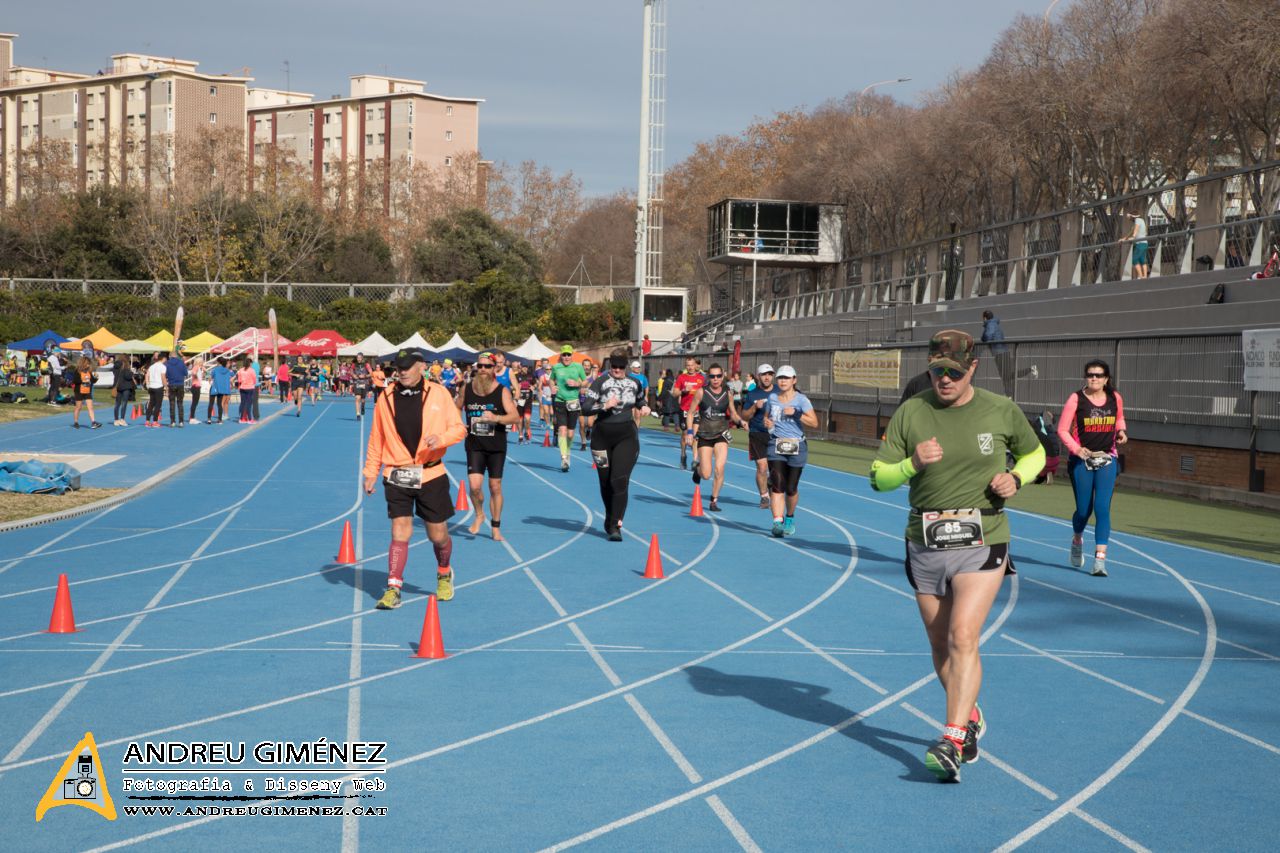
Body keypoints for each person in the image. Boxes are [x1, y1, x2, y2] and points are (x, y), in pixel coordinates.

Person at [869, 329, 1044, 783]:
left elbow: (1036, 454)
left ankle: (952, 737)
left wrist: (1016, 479)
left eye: (953, 371)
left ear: (973, 368)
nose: (944, 379)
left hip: (983, 534)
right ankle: (969, 712)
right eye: (936, 370)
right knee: (940, 643)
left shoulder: (1000, 409)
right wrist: (913, 464)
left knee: (964, 635)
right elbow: (879, 478)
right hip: (925, 538)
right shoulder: (913, 411)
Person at [364, 348, 467, 610]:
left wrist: (440, 439)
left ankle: (444, 572)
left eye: (408, 366)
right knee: (400, 530)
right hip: (397, 473)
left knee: (437, 533)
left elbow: (459, 429)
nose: (402, 371)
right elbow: (377, 438)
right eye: (398, 367)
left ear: (422, 366)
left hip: (430, 472)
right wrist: (370, 473)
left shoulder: (439, 393)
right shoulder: (385, 398)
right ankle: (393, 587)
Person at [1058, 360, 1127, 577]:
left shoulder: (1115, 397)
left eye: (1098, 375)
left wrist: (1122, 432)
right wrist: (1077, 450)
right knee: (1083, 510)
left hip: (1107, 458)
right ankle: (1077, 538)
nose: (1094, 378)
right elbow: (1062, 430)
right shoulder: (1076, 399)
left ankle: (1100, 561)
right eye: (1090, 375)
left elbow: (1119, 419)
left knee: (1102, 508)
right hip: (1082, 460)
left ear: (1106, 378)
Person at [581, 349, 651, 541]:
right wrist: (605, 405)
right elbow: (585, 408)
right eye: (614, 367)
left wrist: (644, 405)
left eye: (621, 367)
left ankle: (615, 524)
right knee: (605, 481)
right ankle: (609, 515)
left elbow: (639, 399)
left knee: (619, 480)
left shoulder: (634, 382)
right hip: (601, 437)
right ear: (609, 366)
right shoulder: (600, 382)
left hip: (626, 436)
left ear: (626, 366)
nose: (618, 370)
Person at [457, 352, 520, 541]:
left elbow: (515, 416)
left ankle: (495, 525)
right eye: (480, 366)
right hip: (474, 445)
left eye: (487, 367)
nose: (483, 370)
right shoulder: (466, 389)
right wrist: (458, 424)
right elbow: (455, 407)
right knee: (475, 487)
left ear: (494, 369)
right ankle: (479, 515)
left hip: (496, 446)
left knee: (495, 487)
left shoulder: (502, 391)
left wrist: (497, 418)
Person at [763, 366, 819, 536]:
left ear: (794, 380)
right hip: (776, 444)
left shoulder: (801, 400)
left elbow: (814, 423)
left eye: (786, 378)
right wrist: (768, 424)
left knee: (791, 487)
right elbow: (767, 417)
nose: (782, 381)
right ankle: (777, 522)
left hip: (797, 445)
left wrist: (796, 413)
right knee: (778, 485)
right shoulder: (772, 397)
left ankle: (789, 517)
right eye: (780, 378)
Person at [687, 363, 747, 512]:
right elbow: (690, 412)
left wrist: (740, 421)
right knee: (706, 474)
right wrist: (689, 432)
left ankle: (714, 500)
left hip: (721, 434)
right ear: (708, 377)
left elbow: (732, 413)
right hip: (705, 435)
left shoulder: (728, 393)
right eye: (712, 376)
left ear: (723, 376)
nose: (715, 379)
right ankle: (699, 470)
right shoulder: (701, 392)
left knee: (720, 468)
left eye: (718, 376)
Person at [740, 363, 776, 508]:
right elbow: (745, 415)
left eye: (769, 374)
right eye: (764, 375)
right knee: (762, 467)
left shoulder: (780, 391)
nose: (767, 377)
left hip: (777, 435)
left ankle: (771, 482)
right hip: (757, 433)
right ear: (758, 376)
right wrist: (755, 407)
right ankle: (764, 496)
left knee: (776, 469)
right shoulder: (753, 394)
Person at [980, 310, 1036, 396]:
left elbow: (987, 336)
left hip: (1000, 353)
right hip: (1002, 352)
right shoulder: (994, 324)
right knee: (1007, 375)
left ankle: (1009, 395)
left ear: (984, 318)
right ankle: (1009, 395)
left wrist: (983, 337)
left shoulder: (990, 324)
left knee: (1006, 376)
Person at [550, 345, 587, 472]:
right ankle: (564, 457)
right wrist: (552, 387)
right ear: (561, 356)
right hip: (560, 401)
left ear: (572, 355)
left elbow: (586, 381)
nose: (566, 357)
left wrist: (578, 384)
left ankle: (568, 450)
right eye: (564, 355)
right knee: (562, 430)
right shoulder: (556, 367)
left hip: (573, 402)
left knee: (570, 434)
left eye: (568, 355)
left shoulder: (578, 367)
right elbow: (551, 380)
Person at [672, 356, 707, 469]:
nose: (690, 367)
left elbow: (706, 393)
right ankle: (683, 455)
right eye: (688, 365)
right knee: (685, 436)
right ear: (685, 366)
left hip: (697, 410)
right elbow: (674, 393)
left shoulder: (701, 378)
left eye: (692, 365)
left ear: (696, 365)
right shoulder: (681, 378)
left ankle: (695, 460)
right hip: (685, 410)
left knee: (695, 436)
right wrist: (684, 390)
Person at [69, 356, 101, 429]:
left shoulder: (89, 371)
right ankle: (76, 422)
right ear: (83, 363)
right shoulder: (77, 371)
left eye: (89, 364)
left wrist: (96, 378)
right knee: (78, 407)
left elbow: (92, 381)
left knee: (90, 407)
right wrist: (83, 381)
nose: (88, 365)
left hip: (87, 391)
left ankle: (93, 422)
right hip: (79, 391)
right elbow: (75, 381)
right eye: (87, 364)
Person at [164, 348, 189, 427]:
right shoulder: (181, 363)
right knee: (180, 403)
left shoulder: (166, 363)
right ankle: (181, 422)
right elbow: (186, 373)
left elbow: (165, 374)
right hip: (180, 384)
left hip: (171, 384)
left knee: (172, 403)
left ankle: (173, 422)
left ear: (170, 356)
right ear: (176, 356)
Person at [111, 354, 135, 426]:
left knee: (117, 403)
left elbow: (114, 372)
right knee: (124, 403)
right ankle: (122, 419)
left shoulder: (116, 365)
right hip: (125, 386)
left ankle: (116, 420)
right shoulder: (125, 365)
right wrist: (131, 372)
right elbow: (127, 376)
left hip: (117, 386)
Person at [144, 352, 167, 428]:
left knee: (151, 404)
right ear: (163, 359)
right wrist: (166, 386)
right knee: (158, 404)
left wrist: (147, 384)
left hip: (151, 386)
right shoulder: (163, 367)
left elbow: (147, 375)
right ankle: (155, 421)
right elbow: (163, 377)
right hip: (158, 386)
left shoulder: (152, 366)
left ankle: (147, 421)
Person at [208, 356, 232, 424]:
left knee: (211, 403)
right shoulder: (227, 370)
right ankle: (220, 419)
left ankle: (209, 419)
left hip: (214, 388)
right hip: (221, 389)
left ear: (218, 362)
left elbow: (210, 377)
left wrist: (210, 378)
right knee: (219, 404)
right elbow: (230, 377)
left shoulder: (215, 369)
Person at [1126, 211, 1149, 278]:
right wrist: (1124, 239)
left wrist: (1133, 237)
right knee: (1142, 260)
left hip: (1140, 243)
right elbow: (1131, 232)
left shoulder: (1138, 220)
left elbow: (1136, 230)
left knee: (1134, 259)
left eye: (1129, 217)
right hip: (1144, 243)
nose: (1129, 218)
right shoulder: (1140, 220)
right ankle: (1144, 276)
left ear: (1132, 216)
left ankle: (1141, 276)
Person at [236, 357, 258, 424]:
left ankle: (241, 418)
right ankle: (249, 419)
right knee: (249, 404)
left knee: (242, 403)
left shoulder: (241, 370)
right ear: (250, 363)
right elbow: (254, 379)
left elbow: (239, 380)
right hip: (250, 388)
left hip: (242, 388)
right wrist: (252, 383)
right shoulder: (252, 370)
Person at [516, 368, 535, 443]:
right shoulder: (516, 376)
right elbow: (511, 387)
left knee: (527, 419)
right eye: (523, 367)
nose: (525, 369)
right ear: (521, 367)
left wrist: (533, 387)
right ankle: (520, 435)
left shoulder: (531, 376)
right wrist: (517, 387)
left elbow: (535, 384)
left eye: (526, 367)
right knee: (520, 420)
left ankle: (526, 432)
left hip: (528, 401)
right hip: (519, 401)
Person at [352, 354, 372, 419]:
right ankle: (358, 414)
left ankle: (363, 406)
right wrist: (353, 375)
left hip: (364, 383)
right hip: (357, 382)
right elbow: (351, 371)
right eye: (358, 357)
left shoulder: (366, 364)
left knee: (363, 399)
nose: (359, 359)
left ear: (362, 358)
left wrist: (365, 376)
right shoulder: (354, 365)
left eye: (360, 357)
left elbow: (371, 373)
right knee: (357, 398)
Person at [188, 357, 204, 424]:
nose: (203, 362)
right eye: (202, 361)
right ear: (199, 362)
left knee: (195, 403)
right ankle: (192, 418)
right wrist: (197, 376)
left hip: (197, 385)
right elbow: (193, 373)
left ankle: (192, 417)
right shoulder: (196, 367)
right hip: (196, 386)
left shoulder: (200, 367)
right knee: (194, 403)